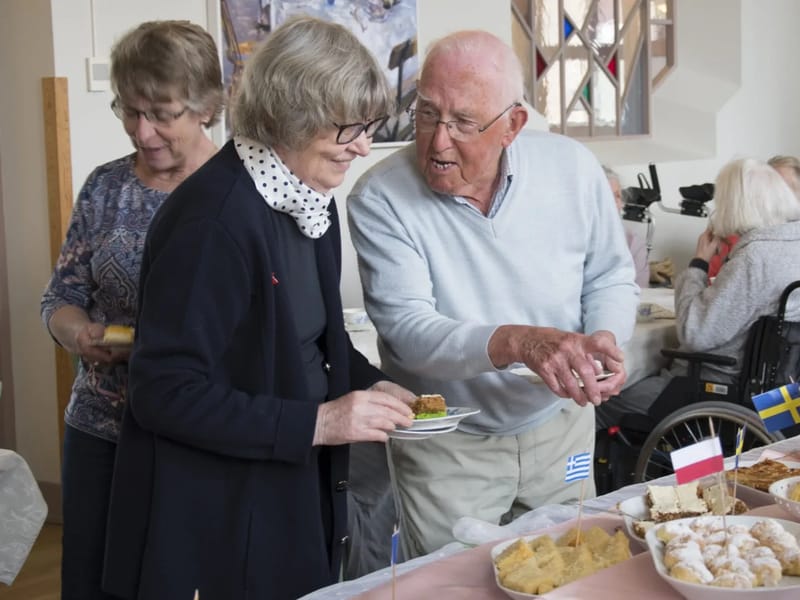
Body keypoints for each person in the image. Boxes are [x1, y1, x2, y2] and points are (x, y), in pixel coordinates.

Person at [101, 15, 415, 600]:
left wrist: (376, 387)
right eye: (350, 127)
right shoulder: (214, 220)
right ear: (290, 115)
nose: (364, 145)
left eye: (369, 125)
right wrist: (320, 423)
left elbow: (317, 342)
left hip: (280, 493)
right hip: (213, 517)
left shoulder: (306, 200)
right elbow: (163, 391)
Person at [347, 30, 639, 559]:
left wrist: (603, 340)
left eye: (463, 123)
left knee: (573, 571)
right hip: (447, 444)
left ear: (513, 124)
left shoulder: (572, 169)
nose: (437, 141)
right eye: (427, 113)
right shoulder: (380, 197)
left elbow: (610, 276)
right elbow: (408, 332)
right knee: (453, 587)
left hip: (560, 425)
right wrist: (517, 342)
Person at [39, 20, 223, 600]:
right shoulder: (105, 186)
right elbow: (60, 295)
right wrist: (78, 334)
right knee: (90, 583)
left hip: (198, 433)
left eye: (162, 113)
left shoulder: (234, 192)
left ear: (205, 107)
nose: (142, 132)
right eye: (130, 110)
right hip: (100, 425)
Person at [596, 158, 800, 430]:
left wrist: (698, 264)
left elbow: (695, 334)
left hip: (719, 389)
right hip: (782, 394)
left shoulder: (755, 257)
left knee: (599, 402)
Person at [604, 165, 650, 288]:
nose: (614, 203)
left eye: (617, 196)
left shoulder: (633, 242)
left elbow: (640, 290)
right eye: (606, 195)